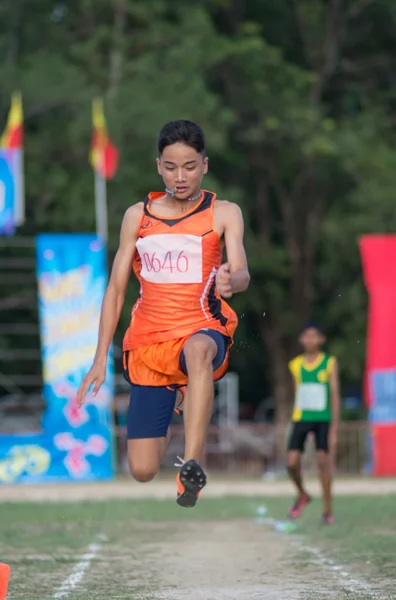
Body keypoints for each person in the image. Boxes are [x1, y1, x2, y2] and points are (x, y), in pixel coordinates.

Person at [77, 120, 250, 507]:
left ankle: (191, 464)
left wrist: (230, 281)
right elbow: (116, 289)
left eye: (190, 166)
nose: (180, 175)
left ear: (204, 165)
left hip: (203, 327)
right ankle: (176, 404)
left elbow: (241, 271)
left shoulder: (223, 213)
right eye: (171, 167)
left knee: (198, 351)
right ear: (159, 166)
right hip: (148, 342)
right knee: (141, 469)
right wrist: (98, 359)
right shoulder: (136, 217)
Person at [286, 322, 340, 524]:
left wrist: (334, 428)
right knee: (291, 462)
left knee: (323, 464)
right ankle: (302, 494)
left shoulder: (329, 362)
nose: (310, 340)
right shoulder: (295, 365)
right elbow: (296, 394)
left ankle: (327, 510)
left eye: (314, 336)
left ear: (321, 339)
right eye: (306, 336)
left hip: (322, 419)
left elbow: (334, 394)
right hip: (301, 417)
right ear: (301, 340)